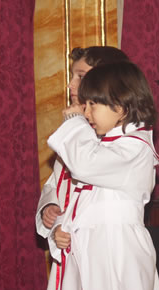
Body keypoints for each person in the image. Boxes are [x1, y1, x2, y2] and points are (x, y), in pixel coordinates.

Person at [37, 61, 159, 290]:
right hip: (90, 253)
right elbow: (82, 201)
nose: (85, 113)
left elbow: (86, 165)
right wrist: (60, 230)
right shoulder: (105, 144)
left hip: (116, 254)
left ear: (120, 106)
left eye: (92, 106)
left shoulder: (137, 147)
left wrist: (74, 125)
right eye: (83, 107)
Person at [36, 46, 130, 242]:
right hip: (69, 238)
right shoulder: (76, 126)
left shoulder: (117, 133)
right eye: (72, 76)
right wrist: (50, 207)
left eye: (80, 76)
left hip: (104, 240)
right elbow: (57, 180)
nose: (70, 85)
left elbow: (86, 167)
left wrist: (76, 124)